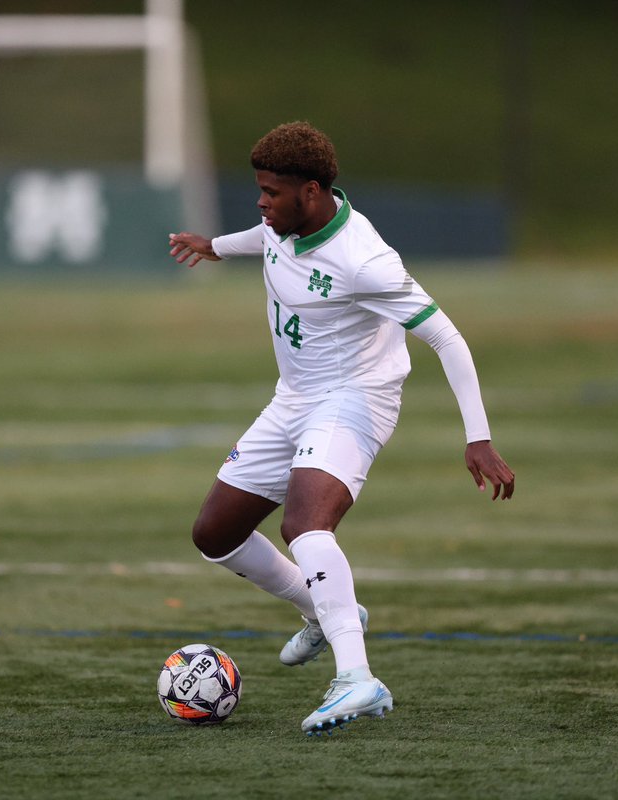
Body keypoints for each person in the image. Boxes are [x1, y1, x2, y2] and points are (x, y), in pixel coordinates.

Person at [168, 122, 514, 735]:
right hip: (293, 398)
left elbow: (446, 336)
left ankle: (357, 679)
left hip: (357, 397)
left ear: (312, 190)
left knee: (304, 523)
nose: (261, 201)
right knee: (214, 533)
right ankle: (325, 610)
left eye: (272, 192)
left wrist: (478, 436)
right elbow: (265, 239)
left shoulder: (365, 260)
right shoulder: (285, 223)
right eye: (259, 189)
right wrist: (216, 246)